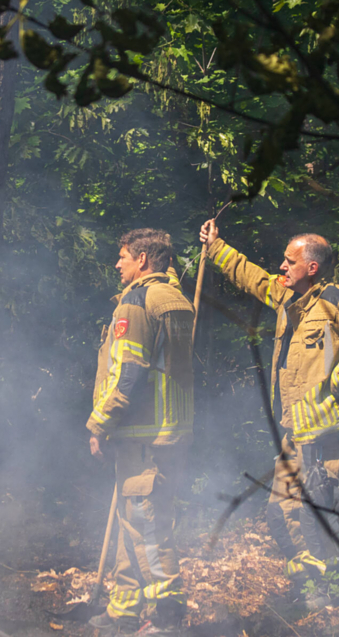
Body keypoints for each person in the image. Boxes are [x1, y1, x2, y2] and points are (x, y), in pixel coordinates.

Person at [199, 220, 339, 596]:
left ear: (312, 267)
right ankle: (308, 587)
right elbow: (252, 277)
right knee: (282, 513)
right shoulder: (288, 297)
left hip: (328, 435)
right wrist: (216, 246)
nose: (282, 266)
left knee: (320, 516)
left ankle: (331, 595)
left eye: (290, 261)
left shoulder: (336, 301)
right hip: (295, 432)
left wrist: (334, 386)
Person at [86, 229, 195, 634]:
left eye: (124, 257)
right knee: (133, 522)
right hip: (170, 433)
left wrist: (100, 423)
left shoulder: (135, 302)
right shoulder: (174, 298)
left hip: (143, 435)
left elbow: (128, 371)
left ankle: (168, 618)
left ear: (143, 259)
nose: (118, 264)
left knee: (146, 526)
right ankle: (125, 608)